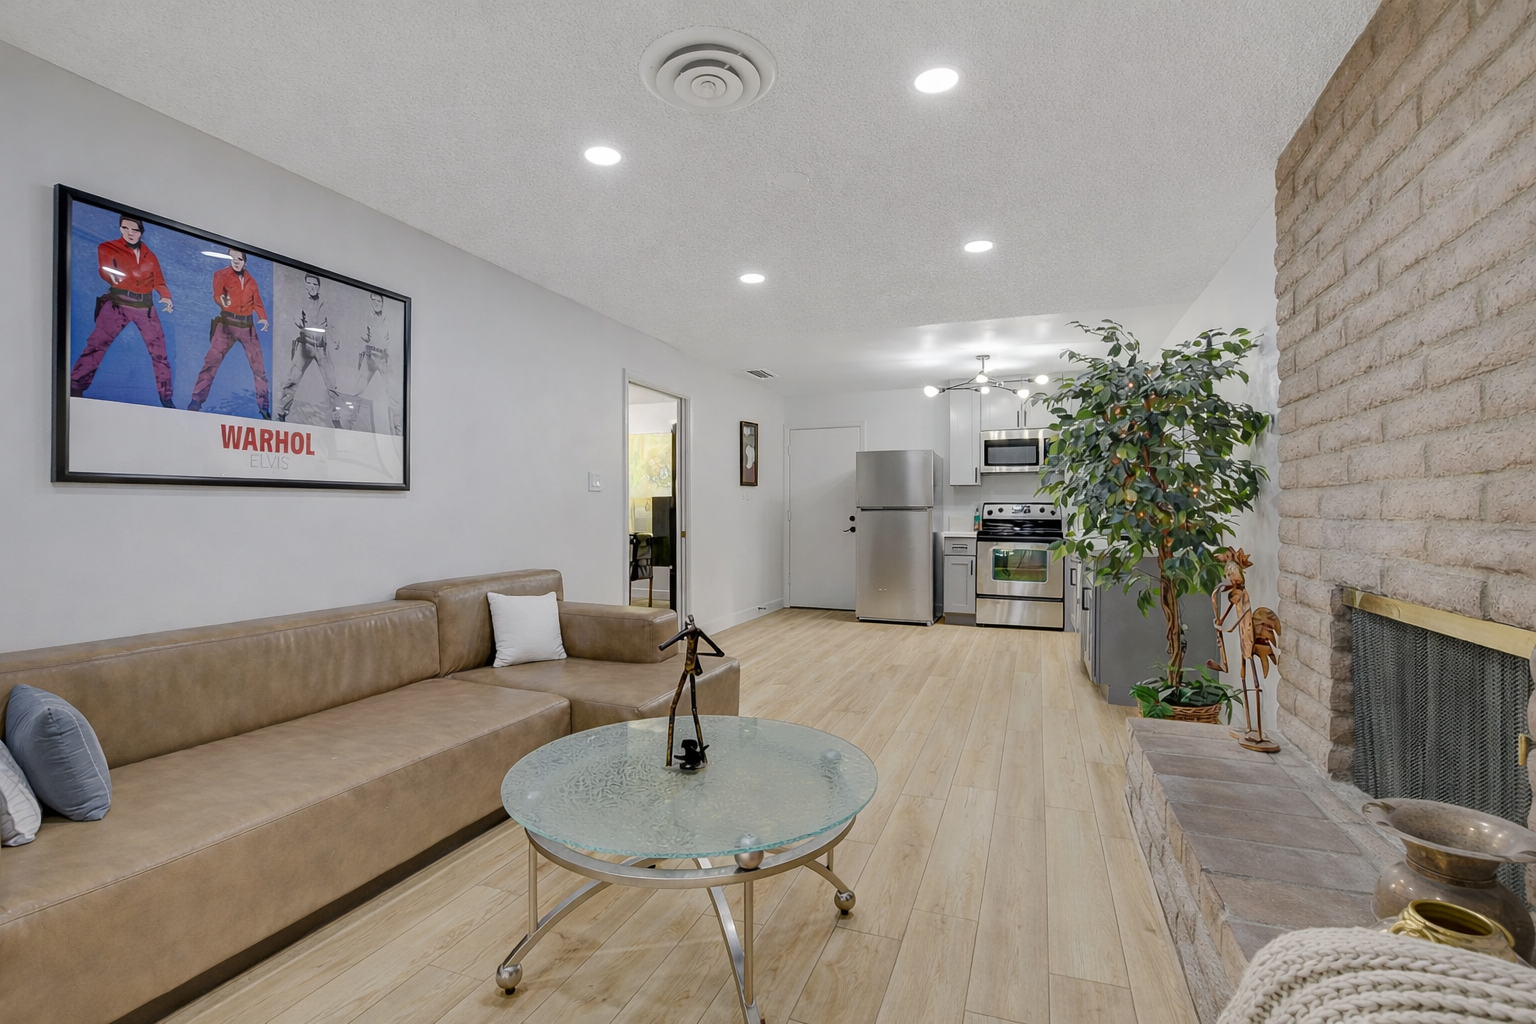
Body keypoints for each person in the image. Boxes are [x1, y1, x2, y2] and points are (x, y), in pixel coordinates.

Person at [69, 214, 177, 407]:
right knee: (96, 345)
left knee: (160, 353)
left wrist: (166, 296)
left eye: (134, 229)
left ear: (141, 232)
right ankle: (75, 387)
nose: (130, 233)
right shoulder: (108, 247)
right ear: (120, 228)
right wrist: (112, 277)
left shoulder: (150, 255)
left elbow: (159, 281)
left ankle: (166, 398)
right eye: (125, 228)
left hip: (145, 306)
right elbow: (105, 269)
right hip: (118, 303)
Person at [189, 248, 271, 417]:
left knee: (259, 369)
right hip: (227, 324)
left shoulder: (252, 282)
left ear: (244, 261)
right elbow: (217, 294)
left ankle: (264, 408)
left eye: (239, 258)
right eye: (232, 258)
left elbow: (257, 303)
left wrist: (263, 318)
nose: (235, 261)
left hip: (247, 326)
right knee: (211, 362)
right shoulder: (220, 274)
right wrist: (223, 300)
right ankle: (196, 401)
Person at [277, 273, 341, 427]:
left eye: (315, 284)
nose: (312, 287)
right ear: (306, 285)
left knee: (332, 384)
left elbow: (331, 325)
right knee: (292, 380)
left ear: (319, 286)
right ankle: (280, 415)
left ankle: (336, 418)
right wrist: (298, 321)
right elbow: (296, 318)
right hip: (305, 346)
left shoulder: (325, 304)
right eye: (310, 283)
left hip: (322, 348)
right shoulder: (300, 301)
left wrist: (335, 340)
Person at [355, 291, 402, 434]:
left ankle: (398, 429)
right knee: (358, 390)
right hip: (370, 355)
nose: (376, 303)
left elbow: (393, 340)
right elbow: (362, 336)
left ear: (383, 303)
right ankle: (347, 424)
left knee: (394, 394)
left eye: (379, 301)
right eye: (374, 300)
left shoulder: (388, 319)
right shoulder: (366, 317)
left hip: (384, 357)